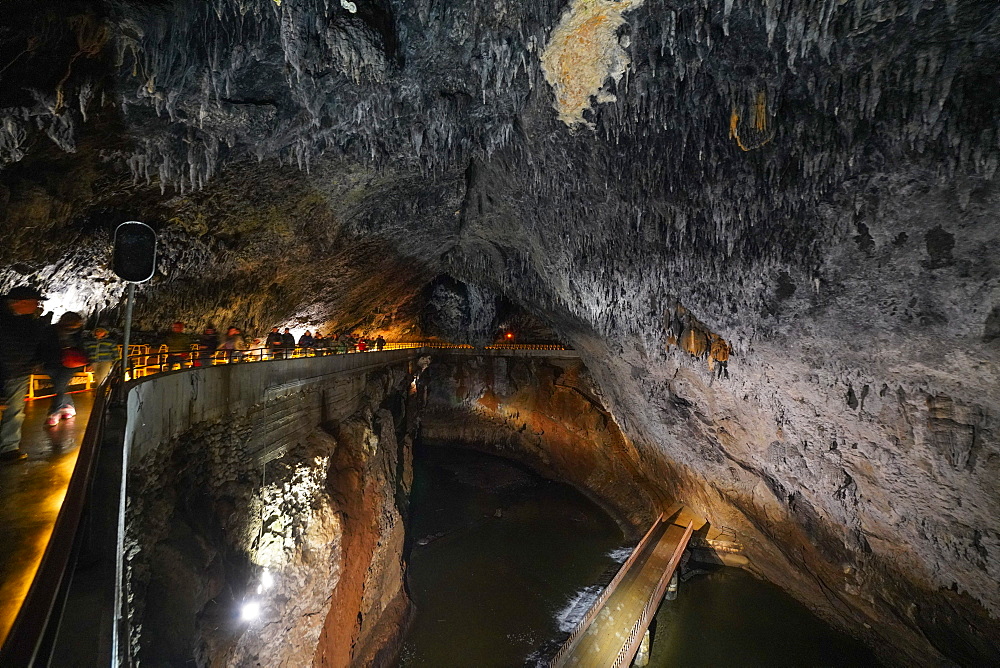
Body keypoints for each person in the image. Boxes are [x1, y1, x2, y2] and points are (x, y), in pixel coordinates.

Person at [0, 286, 57, 461]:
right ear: (21, 302)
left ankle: (9, 448)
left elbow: (38, 343)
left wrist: (37, 361)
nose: (38, 305)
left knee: (16, 411)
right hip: (6, 368)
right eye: (35, 302)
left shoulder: (30, 321)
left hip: (19, 371)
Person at [45, 312, 89, 427]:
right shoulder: (51, 331)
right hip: (52, 362)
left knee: (59, 386)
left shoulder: (80, 333)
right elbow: (43, 345)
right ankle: (69, 407)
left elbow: (84, 347)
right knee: (60, 385)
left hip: (70, 363)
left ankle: (54, 412)